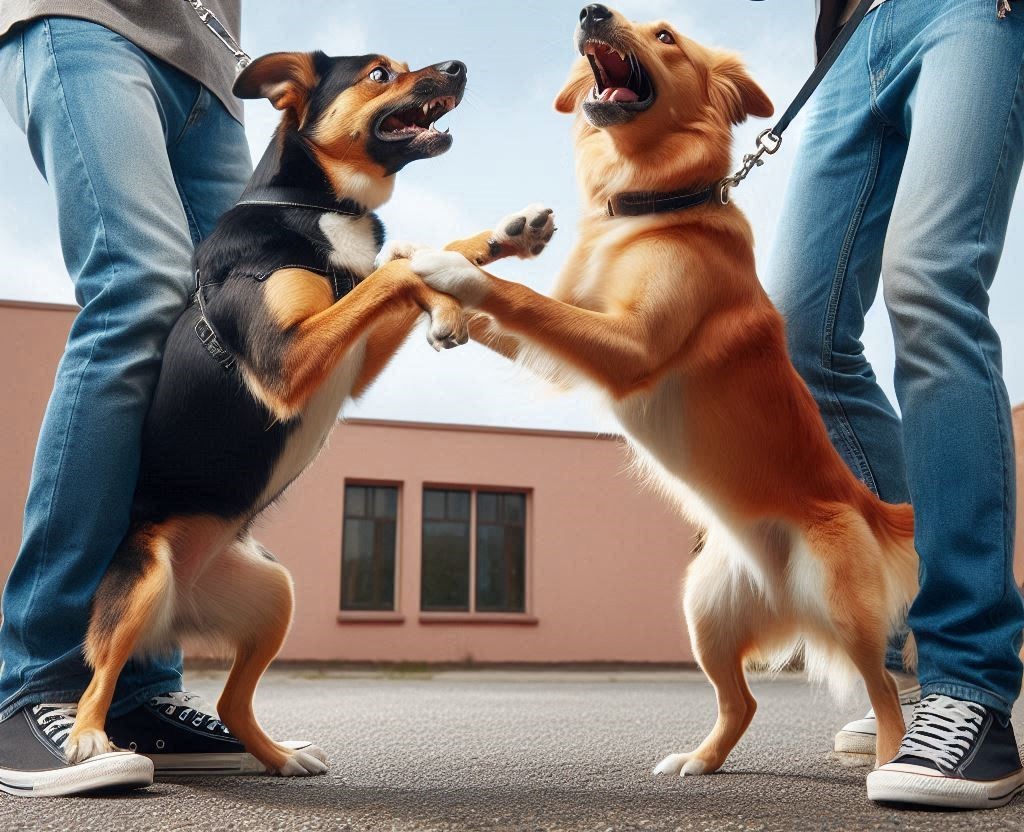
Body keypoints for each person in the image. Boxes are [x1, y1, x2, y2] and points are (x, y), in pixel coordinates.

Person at [0, 1, 311, 797]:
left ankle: (136, 693)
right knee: (138, 290)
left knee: (210, 328)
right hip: (88, 20)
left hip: (211, 63)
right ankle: (37, 680)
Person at [767, 0, 1024, 809]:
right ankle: (927, 662)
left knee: (930, 282)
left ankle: (969, 681)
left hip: (973, 12)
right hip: (853, 38)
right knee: (799, 339)